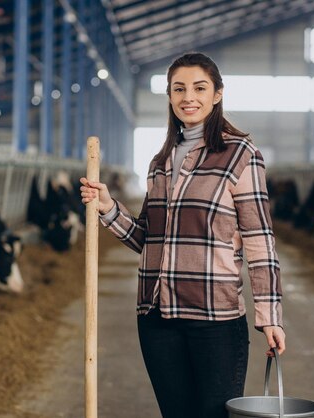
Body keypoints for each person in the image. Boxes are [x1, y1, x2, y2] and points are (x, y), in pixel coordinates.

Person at [80, 52, 285, 418]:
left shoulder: (241, 155)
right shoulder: (161, 162)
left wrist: (269, 315)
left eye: (199, 87)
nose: (188, 97)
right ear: (171, 97)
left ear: (217, 94)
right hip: (157, 316)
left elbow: (259, 241)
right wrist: (107, 207)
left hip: (215, 318)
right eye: (179, 89)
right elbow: (148, 240)